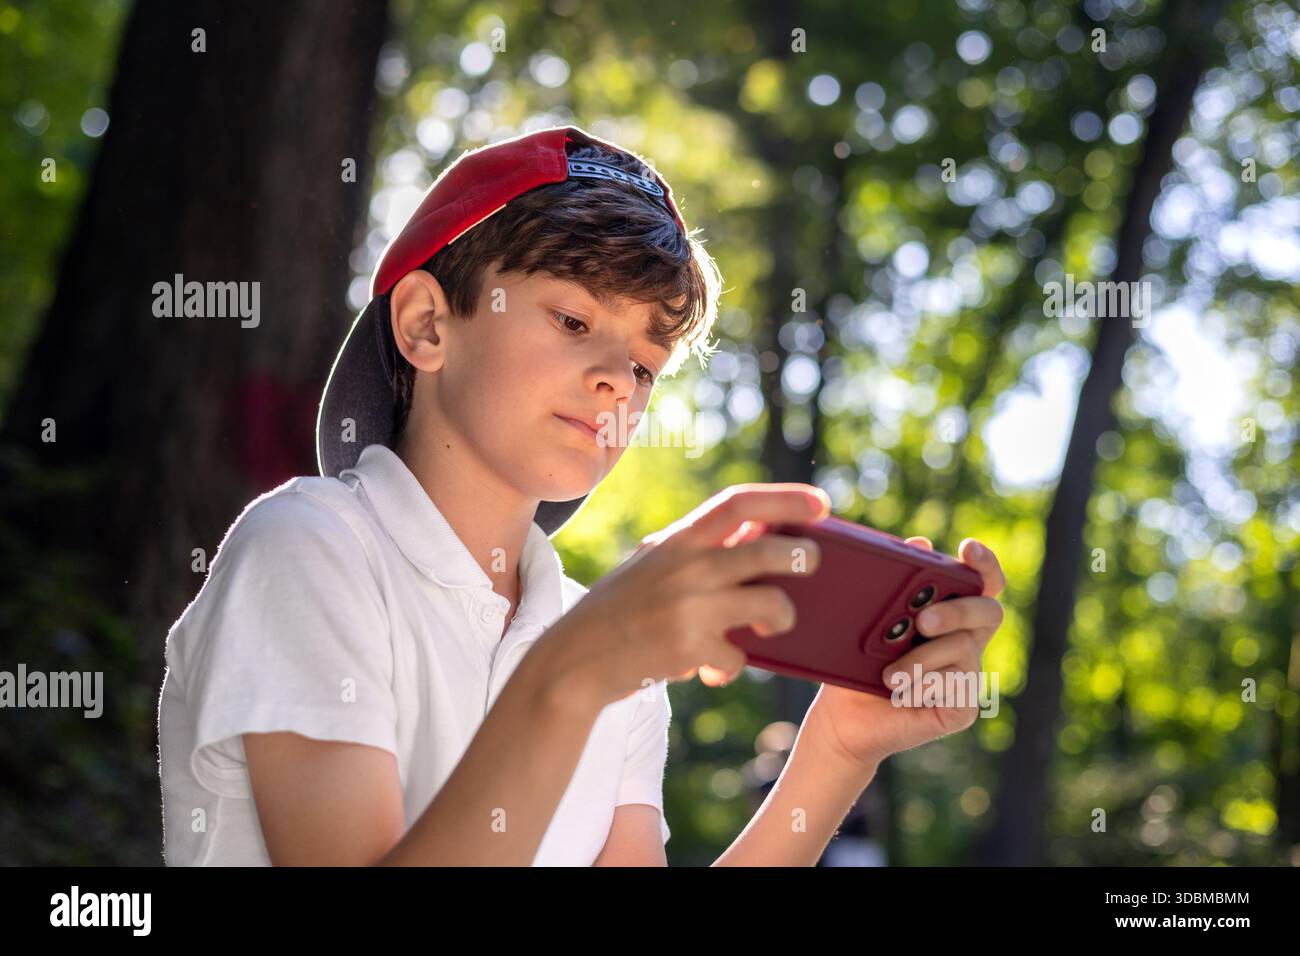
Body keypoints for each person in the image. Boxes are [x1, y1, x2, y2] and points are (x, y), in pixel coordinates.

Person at [156, 125, 1006, 866]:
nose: (614, 383)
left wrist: (837, 752)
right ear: (426, 324)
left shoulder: (606, 644)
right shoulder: (308, 548)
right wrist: (578, 670)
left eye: (644, 366)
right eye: (572, 321)